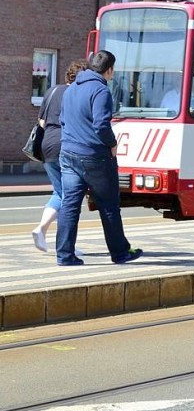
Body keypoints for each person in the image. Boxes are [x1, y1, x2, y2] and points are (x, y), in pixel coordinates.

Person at [56, 50, 143, 266]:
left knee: (69, 205)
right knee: (109, 206)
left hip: (67, 154)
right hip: (95, 157)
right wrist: (113, 144)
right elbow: (101, 125)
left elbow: (63, 121)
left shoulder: (71, 89)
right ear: (109, 70)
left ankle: (65, 255)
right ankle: (121, 253)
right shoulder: (101, 91)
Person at [31, 60, 88, 253]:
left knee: (60, 192)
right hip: (68, 146)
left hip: (46, 145)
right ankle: (65, 245)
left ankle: (42, 230)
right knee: (71, 197)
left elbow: (41, 121)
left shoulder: (52, 91)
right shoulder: (78, 94)